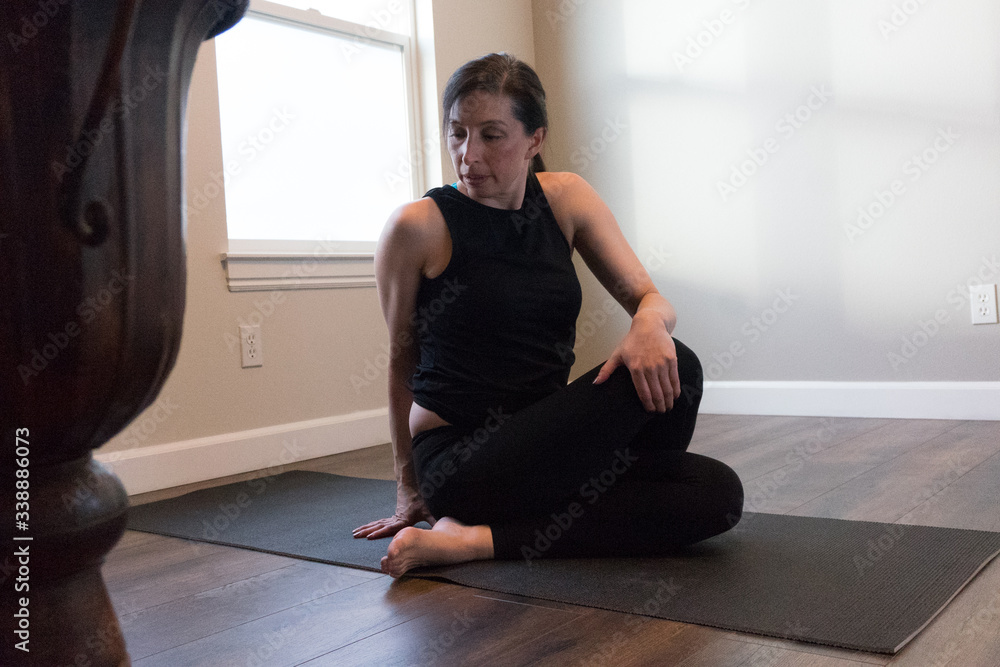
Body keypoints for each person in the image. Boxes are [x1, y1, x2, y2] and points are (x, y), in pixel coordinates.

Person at [353, 52, 744, 577]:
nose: (469, 155)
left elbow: (651, 299)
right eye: (457, 133)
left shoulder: (566, 199)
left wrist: (648, 323)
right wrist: (409, 491)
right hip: (463, 461)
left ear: (534, 139)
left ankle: (477, 539)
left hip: (545, 444)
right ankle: (474, 534)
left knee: (715, 491)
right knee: (682, 370)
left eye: (492, 135)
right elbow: (403, 361)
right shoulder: (418, 226)